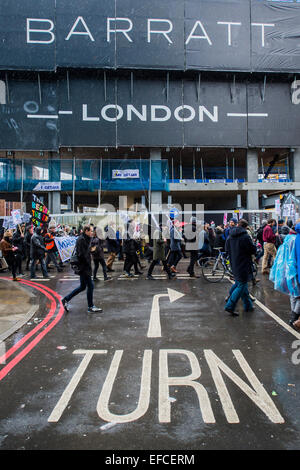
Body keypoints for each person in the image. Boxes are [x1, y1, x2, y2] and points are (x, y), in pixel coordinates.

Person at [61, 225, 102, 313]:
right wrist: (88, 260)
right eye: (91, 231)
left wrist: (92, 250)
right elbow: (82, 254)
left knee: (83, 287)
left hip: (84, 266)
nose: (92, 232)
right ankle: (90, 306)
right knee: (90, 286)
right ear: (86, 231)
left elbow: (87, 251)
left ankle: (66, 299)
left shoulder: (85, 238)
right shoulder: (81, 240)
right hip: (84, 267)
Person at [270, 220, 300, 330]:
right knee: (298, 295)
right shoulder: (294, 239)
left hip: (287, 270)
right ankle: (294, 317)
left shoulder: (287, 238)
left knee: (293, 294)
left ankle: (293, 317)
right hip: (294, 270)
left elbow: (281, 257)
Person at [224, 219, 257, 316]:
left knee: (241, 283)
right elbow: (252, 250)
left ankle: (248, 305)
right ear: (246, 227)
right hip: (244, 263)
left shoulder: (230, 235)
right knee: (242, 284)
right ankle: (230, 306)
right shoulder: (245, 236)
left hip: (234, 263)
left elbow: (227, 249)